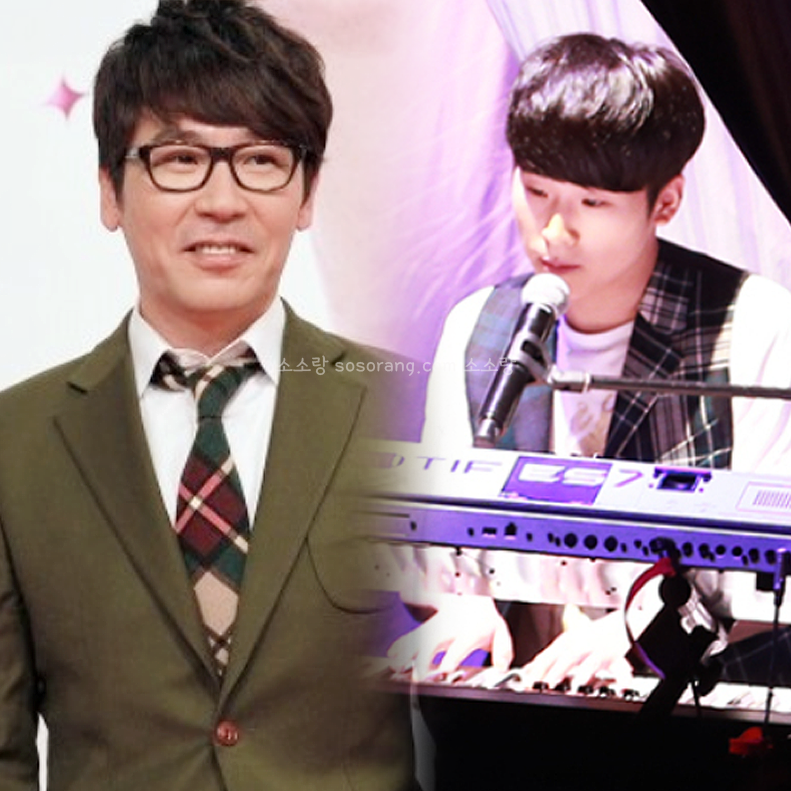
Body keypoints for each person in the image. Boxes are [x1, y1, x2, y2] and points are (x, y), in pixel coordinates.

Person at [0, 1, 415, 789]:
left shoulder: (410, 409)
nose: (222, 201)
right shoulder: (15, 442)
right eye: (180, 158)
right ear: (110, 190)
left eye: (260, 159)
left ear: (306, 192)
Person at [389, 32, 791, 694]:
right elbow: (441, 534)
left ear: (665, 202)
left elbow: (772, 566)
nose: (554, 231)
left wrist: (630, 634)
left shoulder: (754, 324)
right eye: (536, 191)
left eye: (592, 203)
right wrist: (462, 608)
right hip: (522, 705)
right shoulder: (480, 326)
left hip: (696, 707)